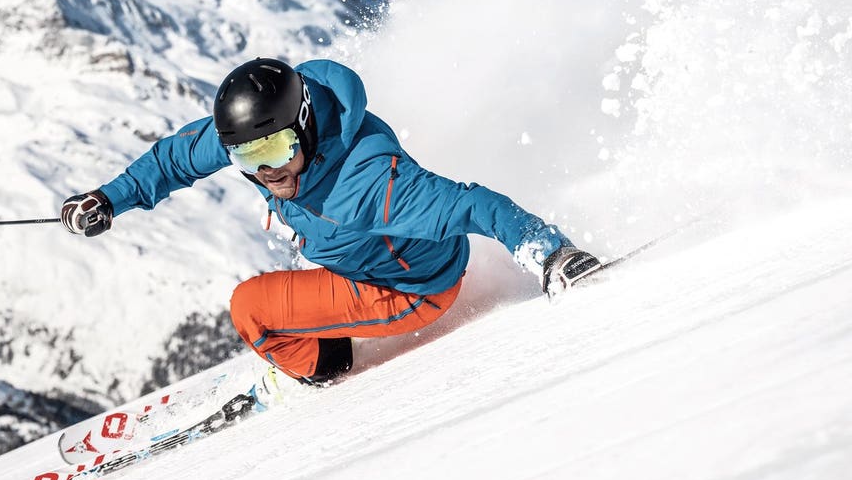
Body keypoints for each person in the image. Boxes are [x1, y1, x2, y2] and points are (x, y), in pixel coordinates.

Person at [61, 58, 600, 385]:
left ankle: (329, 368)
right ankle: (333, 329)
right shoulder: (259, 129)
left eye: (274, 150)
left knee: (251, 311)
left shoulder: (367, 183)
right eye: (247, 159)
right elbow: (176, 158)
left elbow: (474, 205)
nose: (265, 170)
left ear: (302, 128)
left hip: (410, 290)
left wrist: (552, 254)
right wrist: (110, 199)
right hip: (371, 259)